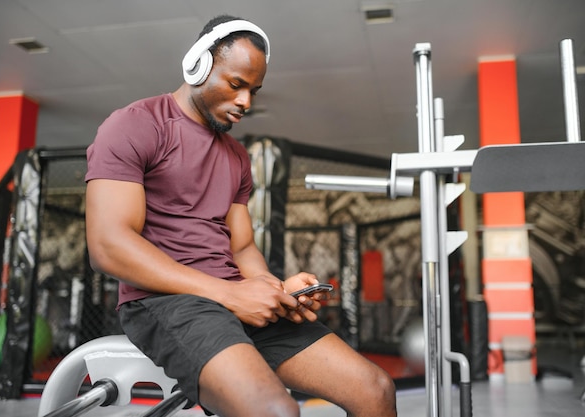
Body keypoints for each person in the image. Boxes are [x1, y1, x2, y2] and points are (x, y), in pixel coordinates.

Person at [84, 14, 397, 417]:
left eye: (254, 90)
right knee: (275, 410)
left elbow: (243, 245)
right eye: (236, 84)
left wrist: (275, 290)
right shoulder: (135, 125)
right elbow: (109, 245)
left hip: (231, 296)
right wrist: (230, 294)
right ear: (197, 65)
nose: (246, 102)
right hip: (165, 303)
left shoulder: (236, 156)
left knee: (374, 389)